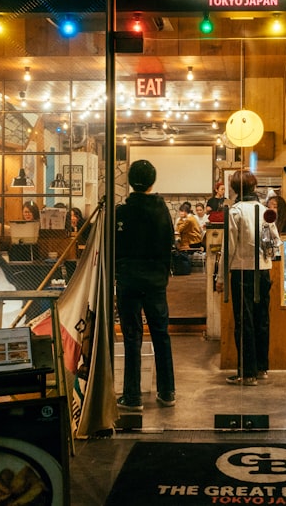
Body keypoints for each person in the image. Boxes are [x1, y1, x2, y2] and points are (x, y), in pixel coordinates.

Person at [115, 160, 176, 410]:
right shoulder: (162, 210)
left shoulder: (121, 212)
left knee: (132, 337)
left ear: (130, 181)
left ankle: (132, 397)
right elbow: (169, 243)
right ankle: (167, 392)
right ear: (153, 182)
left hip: (128, 280)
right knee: (161, 334)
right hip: (155, 281)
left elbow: (115, 247)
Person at [220, 169, 280, 386]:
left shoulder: (235, 212)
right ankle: (262, 368)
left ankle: (247, 373)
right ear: (254, 187)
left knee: (244, 322)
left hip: (242, 272)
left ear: (235, 189)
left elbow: (229, 249)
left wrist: (221, 277)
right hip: (264, 271)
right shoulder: (264, 211)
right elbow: (275, 244)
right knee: (262, 319)